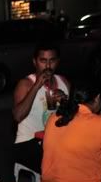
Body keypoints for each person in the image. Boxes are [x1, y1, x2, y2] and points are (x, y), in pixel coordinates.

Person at [13, 41, 70, 172]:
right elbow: (18, 116)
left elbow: (77, 117)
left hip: (56, 141)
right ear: (35, 62)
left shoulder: (64, 82)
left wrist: (66, 101)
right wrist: (36, 86)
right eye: (43, 61)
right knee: (61, 160)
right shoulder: (26, 84)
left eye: (52, 61)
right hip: (28, 143)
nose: (48, 66)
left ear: (58, 61)